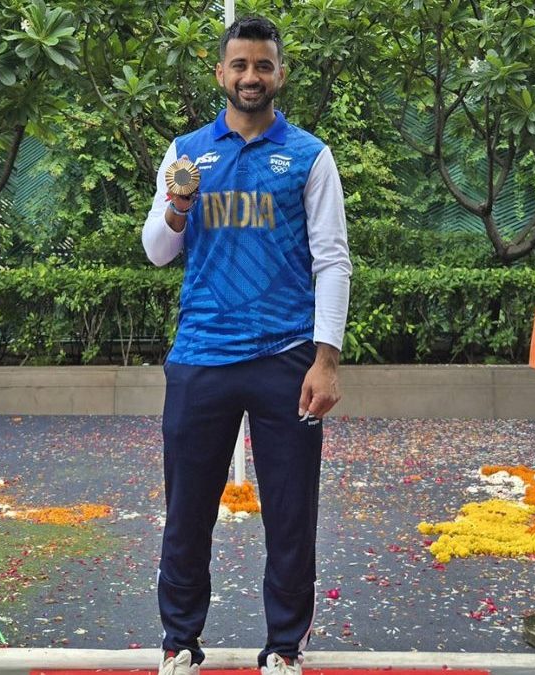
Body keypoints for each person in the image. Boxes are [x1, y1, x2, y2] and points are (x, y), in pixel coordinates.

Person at [141, 15, 352, 675]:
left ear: (279, 74)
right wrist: (179, 203)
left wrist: (325, 359)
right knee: (187, 511)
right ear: (221, 74)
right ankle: (179, 643)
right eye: (240, 65)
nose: (251, 76)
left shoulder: (310, 156)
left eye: (263, 65)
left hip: (285, 357)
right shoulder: (186, 153)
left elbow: (333, 260)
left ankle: (284, 649)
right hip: (201, 353)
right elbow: (156, 250)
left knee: (290, 514)